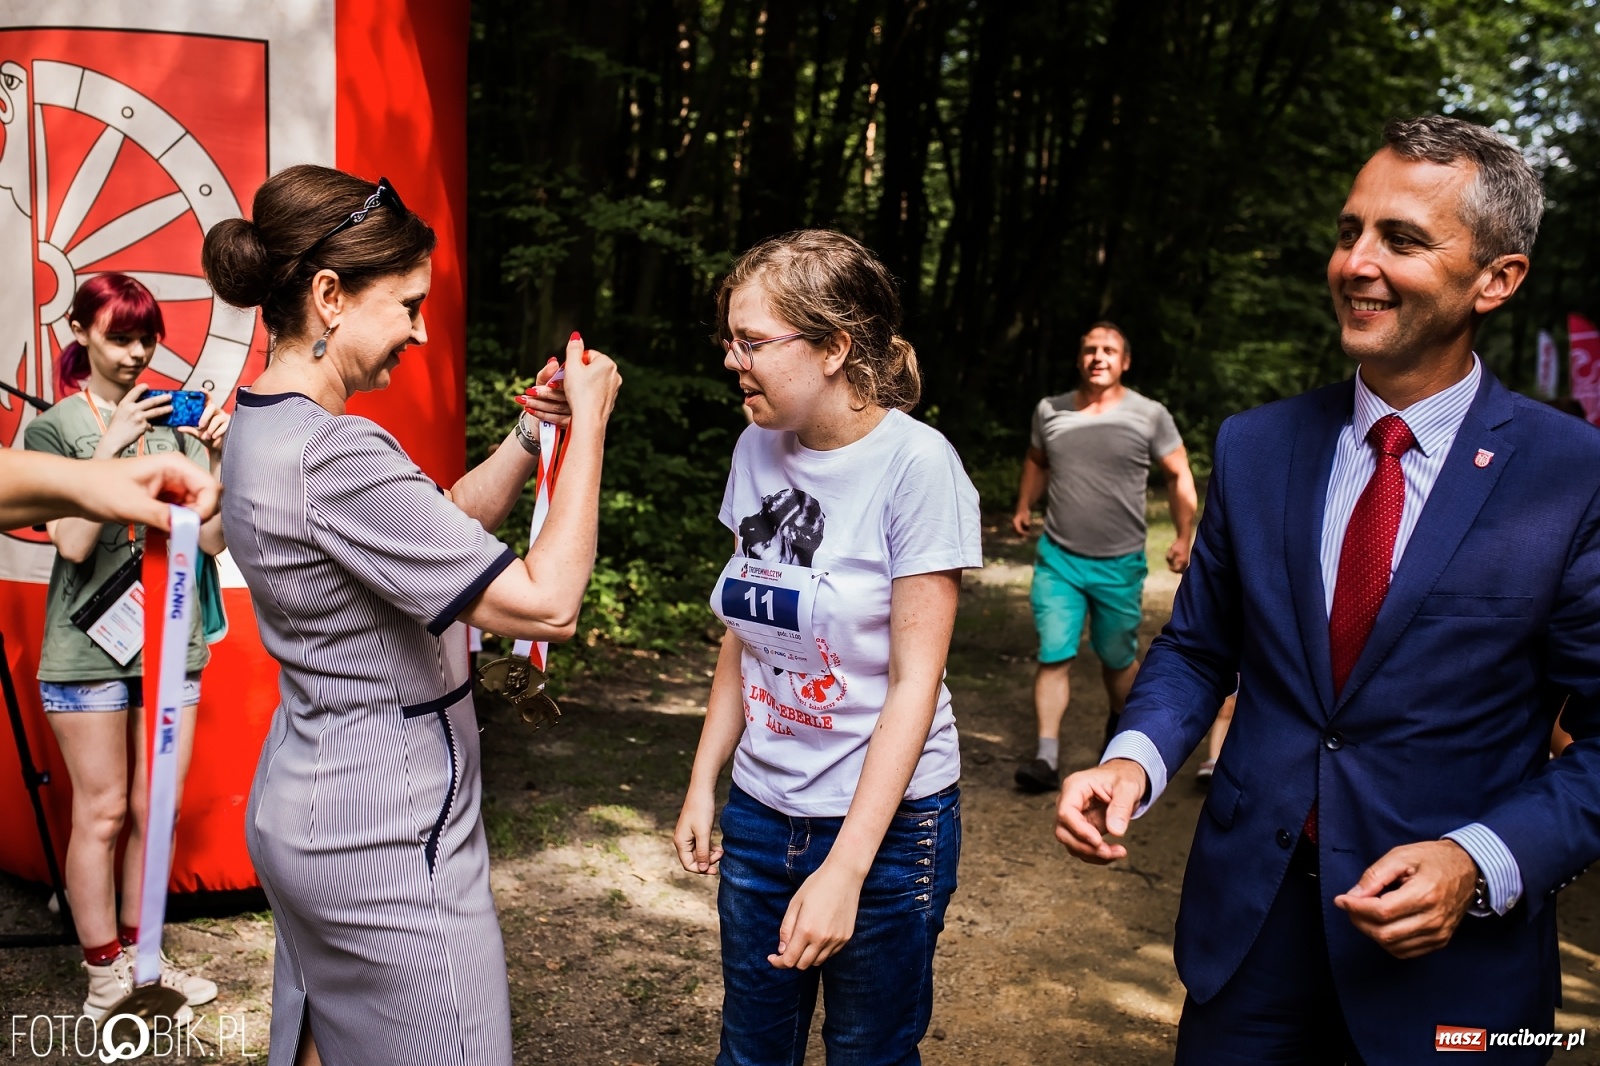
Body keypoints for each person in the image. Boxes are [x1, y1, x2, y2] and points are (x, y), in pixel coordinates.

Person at [1055, 115, 1600, 1063]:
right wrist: (1133, 760)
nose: (1356, 263)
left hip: (1456, 975)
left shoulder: (1571, 473)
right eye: (1350, 231)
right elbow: (1199, 649)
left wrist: (1478, 860)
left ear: (1497, 280)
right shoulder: (1256, 446)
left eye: (1401, 239)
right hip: (1249, 934)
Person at [202, 164, 621, 1066]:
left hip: (313, 801)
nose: (423, 330)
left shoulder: (265, 424)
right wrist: (589, 429)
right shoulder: (333, 453)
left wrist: (530, 435)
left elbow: (439, 530)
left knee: (327, 1037)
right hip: (387, 836)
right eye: (408, 305)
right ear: (330, 296)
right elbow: (547, 604)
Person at [673, 230, 981, 1064]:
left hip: (891, 828)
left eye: (752, 341)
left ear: (835, 347)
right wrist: (705, 781)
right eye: (729, 340)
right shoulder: (755, 445)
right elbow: (747, 633)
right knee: (751, 1053)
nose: (733, 360)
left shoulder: (919, 467)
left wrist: (847, 868)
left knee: (866, 1054)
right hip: (761, 812)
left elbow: (916, 685)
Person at [21, 273, 229, 1021]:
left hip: (172, 643)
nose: (137, 354)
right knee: (103, 812)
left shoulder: (173, 424)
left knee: (156, 807)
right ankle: (105, 976)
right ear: (79, 333)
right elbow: (73, 543)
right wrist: (109, 446)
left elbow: (210, 542)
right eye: (120, 338)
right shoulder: (54, 431)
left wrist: (214, 462)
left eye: (148, 339)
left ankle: (146, 963)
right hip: (87, 650)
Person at [1010, 323, 1196, 793]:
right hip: (1059, 558)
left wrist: (1184, 535)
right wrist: (1024, 504)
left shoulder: (1149, 414)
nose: (1098, 356)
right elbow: (1036, 460)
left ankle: (1119, 735)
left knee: (1117, 660)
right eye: (1090, 349)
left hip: (1119, 562)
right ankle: (1045, 758)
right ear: (1079, 359)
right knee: (1054, 653)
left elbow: (1178, 473)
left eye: (1109, 350)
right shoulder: (1050, 410)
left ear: (1124, 361)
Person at [0, 450, 217, 530]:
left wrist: (217, 458)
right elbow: (73, 549)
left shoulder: (179, 432)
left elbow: (209, 542)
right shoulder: (53, 423)